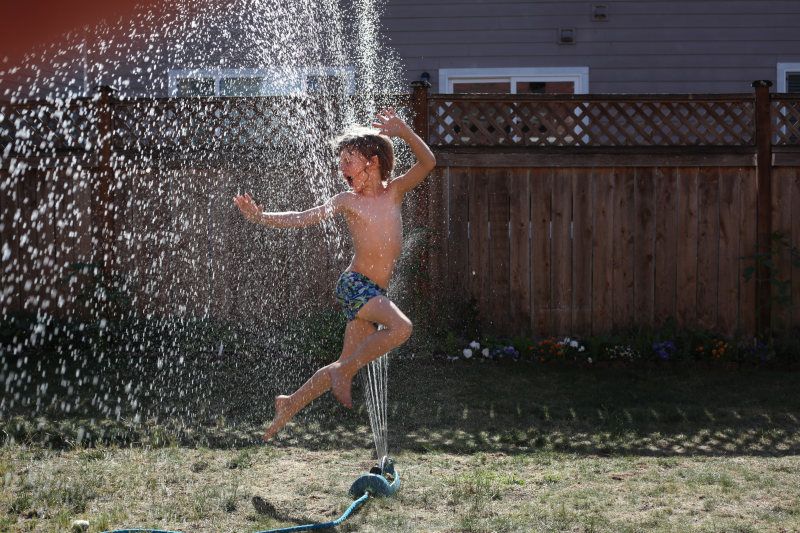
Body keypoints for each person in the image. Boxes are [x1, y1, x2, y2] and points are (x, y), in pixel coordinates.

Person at [233, 108, 436, 441]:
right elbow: (303, 216)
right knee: (402, 328)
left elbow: (429, 163)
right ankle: (344, 372)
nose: (342, 168)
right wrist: (261, 217)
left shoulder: (394, 192)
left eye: (348, 161)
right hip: (356, 285)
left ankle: (289, 404)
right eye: (341, 162)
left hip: (371, 291)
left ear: (372, 161)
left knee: (345, 361)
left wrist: (405, 133)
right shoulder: (347, 200)